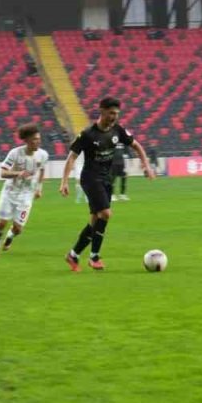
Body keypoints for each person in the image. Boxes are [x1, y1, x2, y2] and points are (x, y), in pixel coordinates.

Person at [58, 97, 155, 272]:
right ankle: (94, 257)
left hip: (106, 179)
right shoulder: (88, 134)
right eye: (111, 113)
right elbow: (72, 156)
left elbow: (136, 145)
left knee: (95, 221)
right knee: (106, 213)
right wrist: (64, 181)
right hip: (90, 178)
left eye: (116, 113)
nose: (114, 116)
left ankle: (73, 255)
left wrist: (146, 165)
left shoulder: (118, 131)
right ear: (101, 111)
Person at [0, 124, 49, 257]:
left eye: (39, 138)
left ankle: (10, 237)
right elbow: (3, 173)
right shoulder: (15, 153)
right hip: (10, 192)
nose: (38, 141)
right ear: (26, 140)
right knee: (2, 223)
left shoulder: (43, 155)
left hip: (26, 195)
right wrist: (18, 173)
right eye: (34, 139)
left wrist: (39, 189)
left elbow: (42, 170)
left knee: (18, 229)